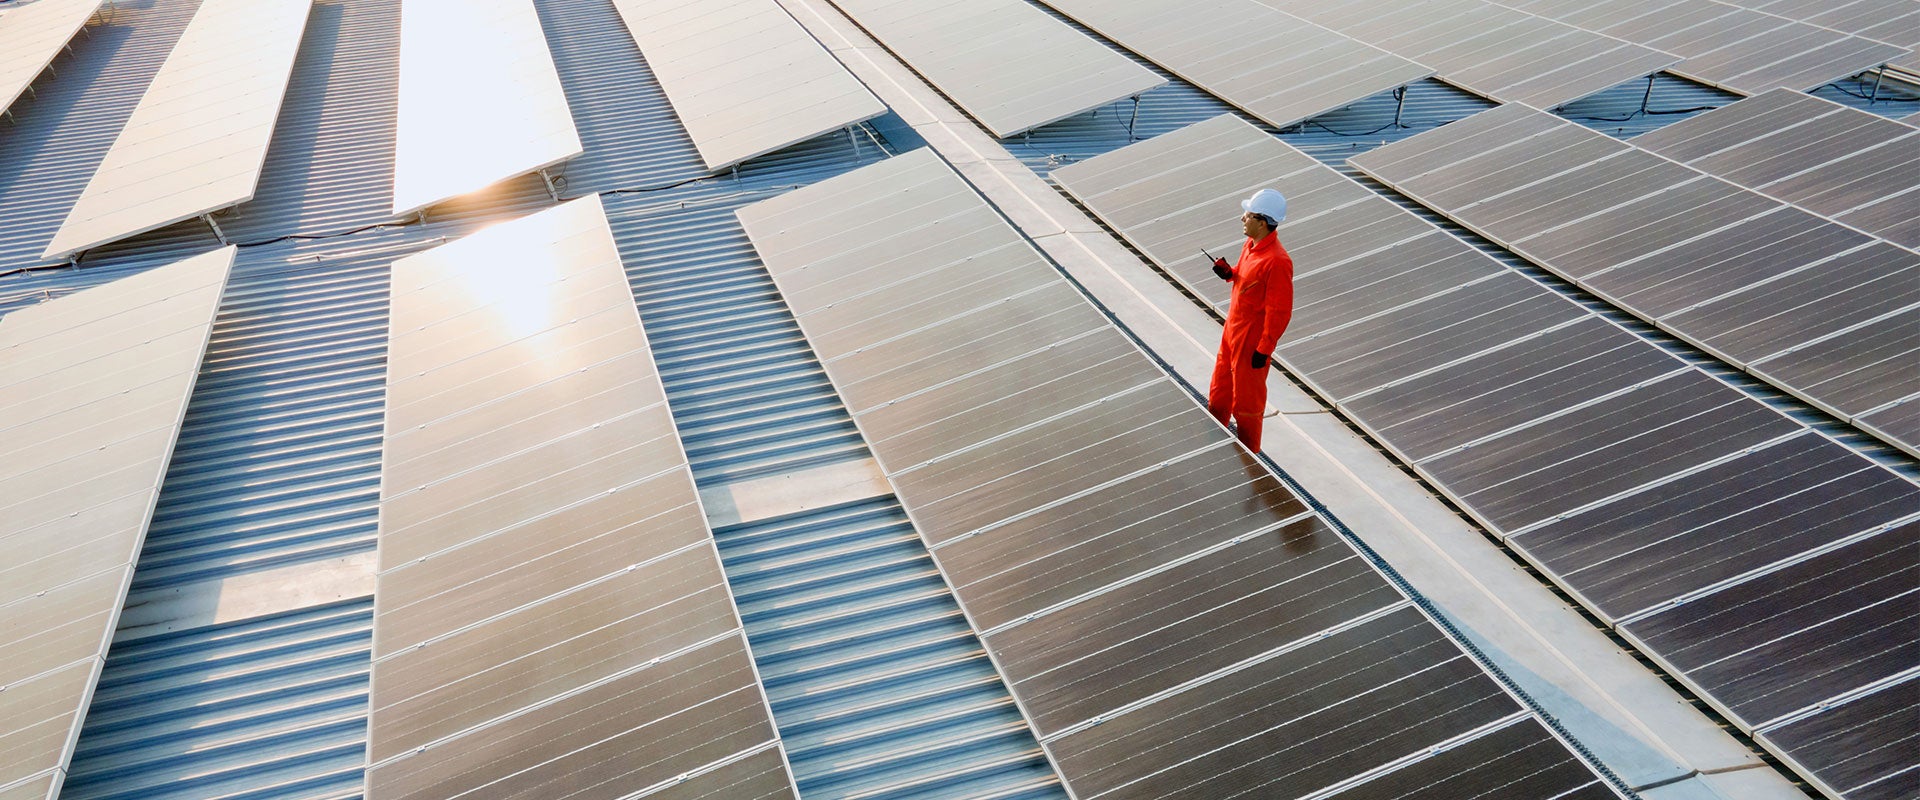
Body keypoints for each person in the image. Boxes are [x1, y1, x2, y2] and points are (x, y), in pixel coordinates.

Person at [1208, 188, 1293, 452]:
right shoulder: (1250, 246)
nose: (1242, 219)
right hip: (1231, 331)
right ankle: (1213, 446)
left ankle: (1250, 458)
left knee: (1246, 405)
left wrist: (1264, 348)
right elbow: (1246, 280)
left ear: (1262, 221)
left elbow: (1280, 310)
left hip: (1251, 342)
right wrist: (1229, 273)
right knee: (1219, 393)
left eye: (1248, 214)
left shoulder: (1278, 261)